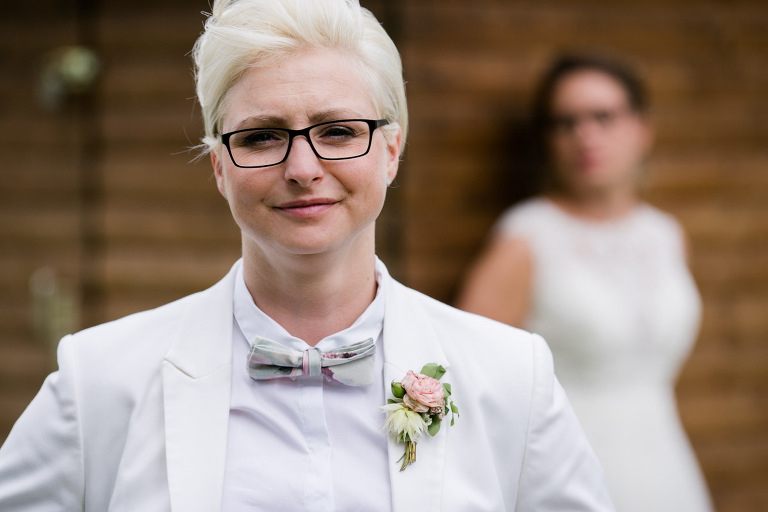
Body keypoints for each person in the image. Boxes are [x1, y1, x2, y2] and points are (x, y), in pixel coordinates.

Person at [0, 2, 614, 510]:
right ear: (219, 166)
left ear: (392, 151)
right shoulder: (101, 379)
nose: (301, 169)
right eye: (261, 136)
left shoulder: (511, 375)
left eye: (338, 131)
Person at [457, 52, 714, 512]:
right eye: (565, 122)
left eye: (603, 116)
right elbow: (470, 382)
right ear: (548, 140)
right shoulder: (525, 239)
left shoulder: (666, 236)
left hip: (669, 466)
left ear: (642, 128)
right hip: (572, 475)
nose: (585, 135)